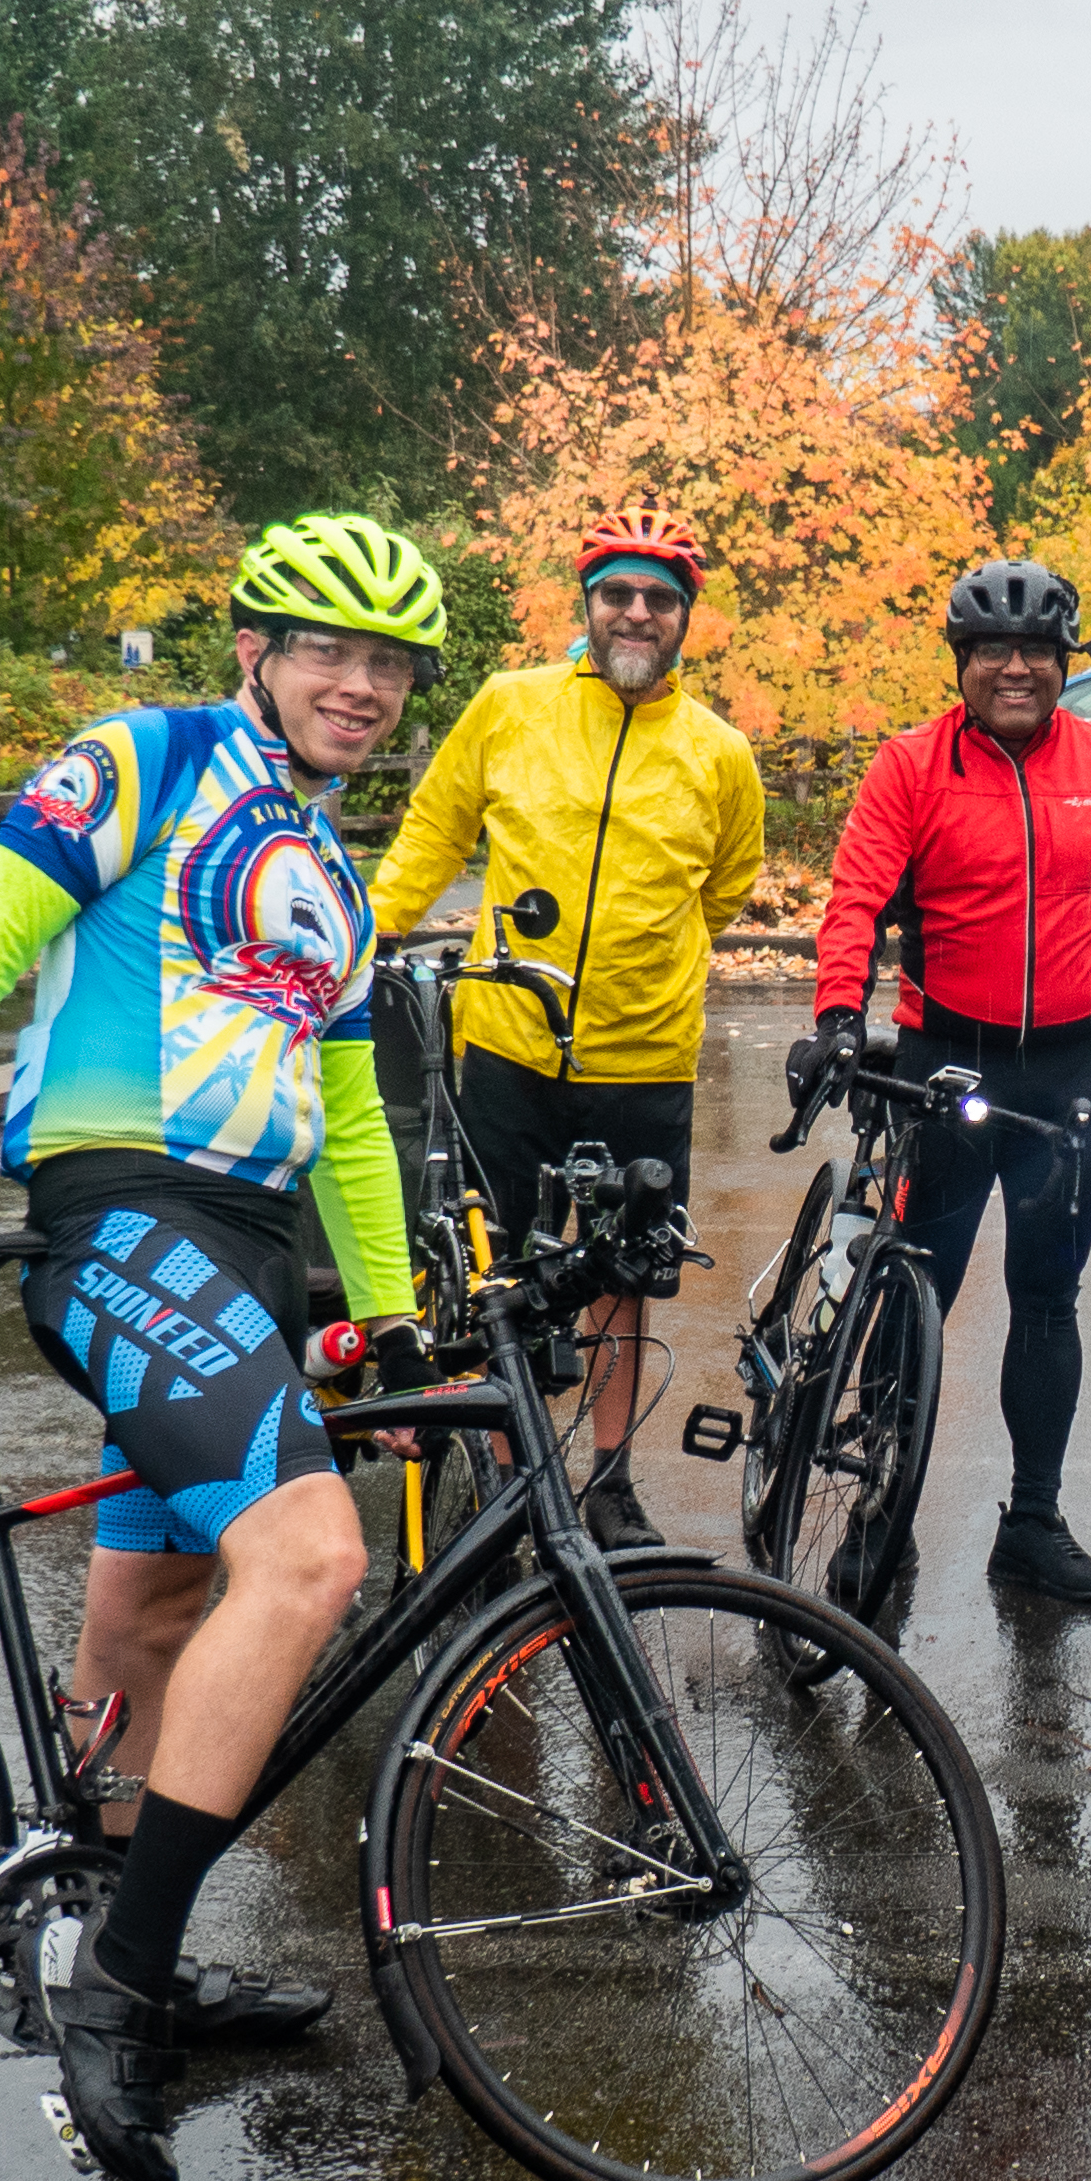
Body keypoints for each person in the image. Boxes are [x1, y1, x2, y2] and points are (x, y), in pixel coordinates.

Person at [0, 513, 442, 2181]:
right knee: (305, 1560)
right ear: (255, 651)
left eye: (386, 665)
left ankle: (125, 1927)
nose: (356, 685)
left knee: (152, 1609)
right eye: (326, 651)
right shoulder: (142, 762)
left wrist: (387, 1304)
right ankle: (115, 1989)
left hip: (245, 1254)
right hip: (123, 1219)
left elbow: (351, 1118)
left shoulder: (335, 873)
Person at [796, 558, 1091, 1605]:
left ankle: (1033, 1523)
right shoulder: (910, 767)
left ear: (1061, 663)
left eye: (1036, 653)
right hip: (944, 1061)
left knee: (1047, 1298)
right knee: (917, 1292)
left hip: (1071, 1073)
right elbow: (856, 904)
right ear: (962, 664)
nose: (1015, 670)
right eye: (993, 652)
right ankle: (879, 1510)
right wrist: (832, 1018)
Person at [362, 506, 766, 1551]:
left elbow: (726, 888)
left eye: (660, 600)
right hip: (506, 1042)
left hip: (646, 1055)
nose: (637, 614)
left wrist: (653, 960)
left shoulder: (719, 753)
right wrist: (360, 938)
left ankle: (613, 1480)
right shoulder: (510, 707)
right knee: (505, 1279)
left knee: (623, 1279)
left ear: (687, 618)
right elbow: (434, 831)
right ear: (587, 603)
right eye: (618, 594)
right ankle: (512, 1478)